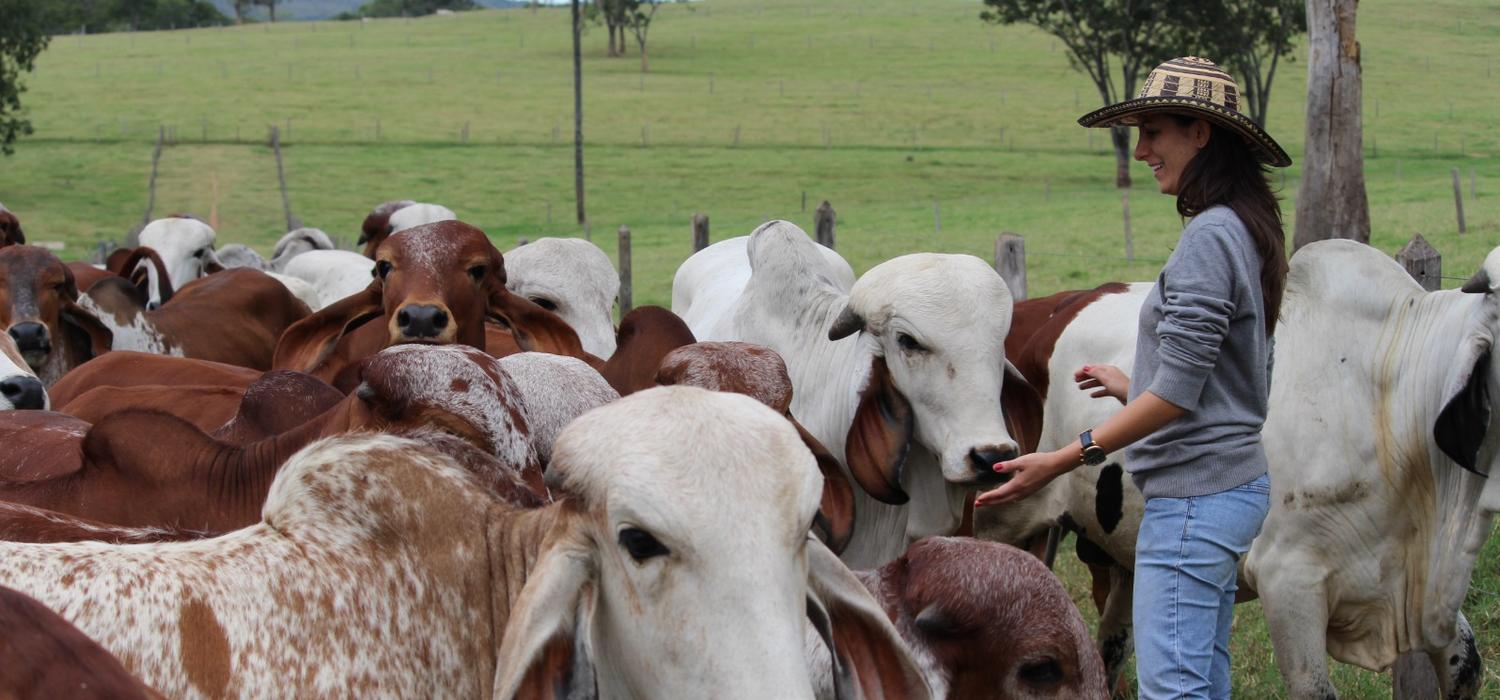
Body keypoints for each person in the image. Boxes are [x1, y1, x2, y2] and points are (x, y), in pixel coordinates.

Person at [975, 56, 1292, 700]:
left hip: (1194, 501)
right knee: (1203, 675)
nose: (1141, 149)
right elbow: (1223, 373)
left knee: (1172, 687)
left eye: (1153, 131)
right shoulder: (1249, 228)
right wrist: (1133, 385)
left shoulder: (1210, 237)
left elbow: (1177, 394)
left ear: (1201, 133)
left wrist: (1062, 459)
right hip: (1231, 485)